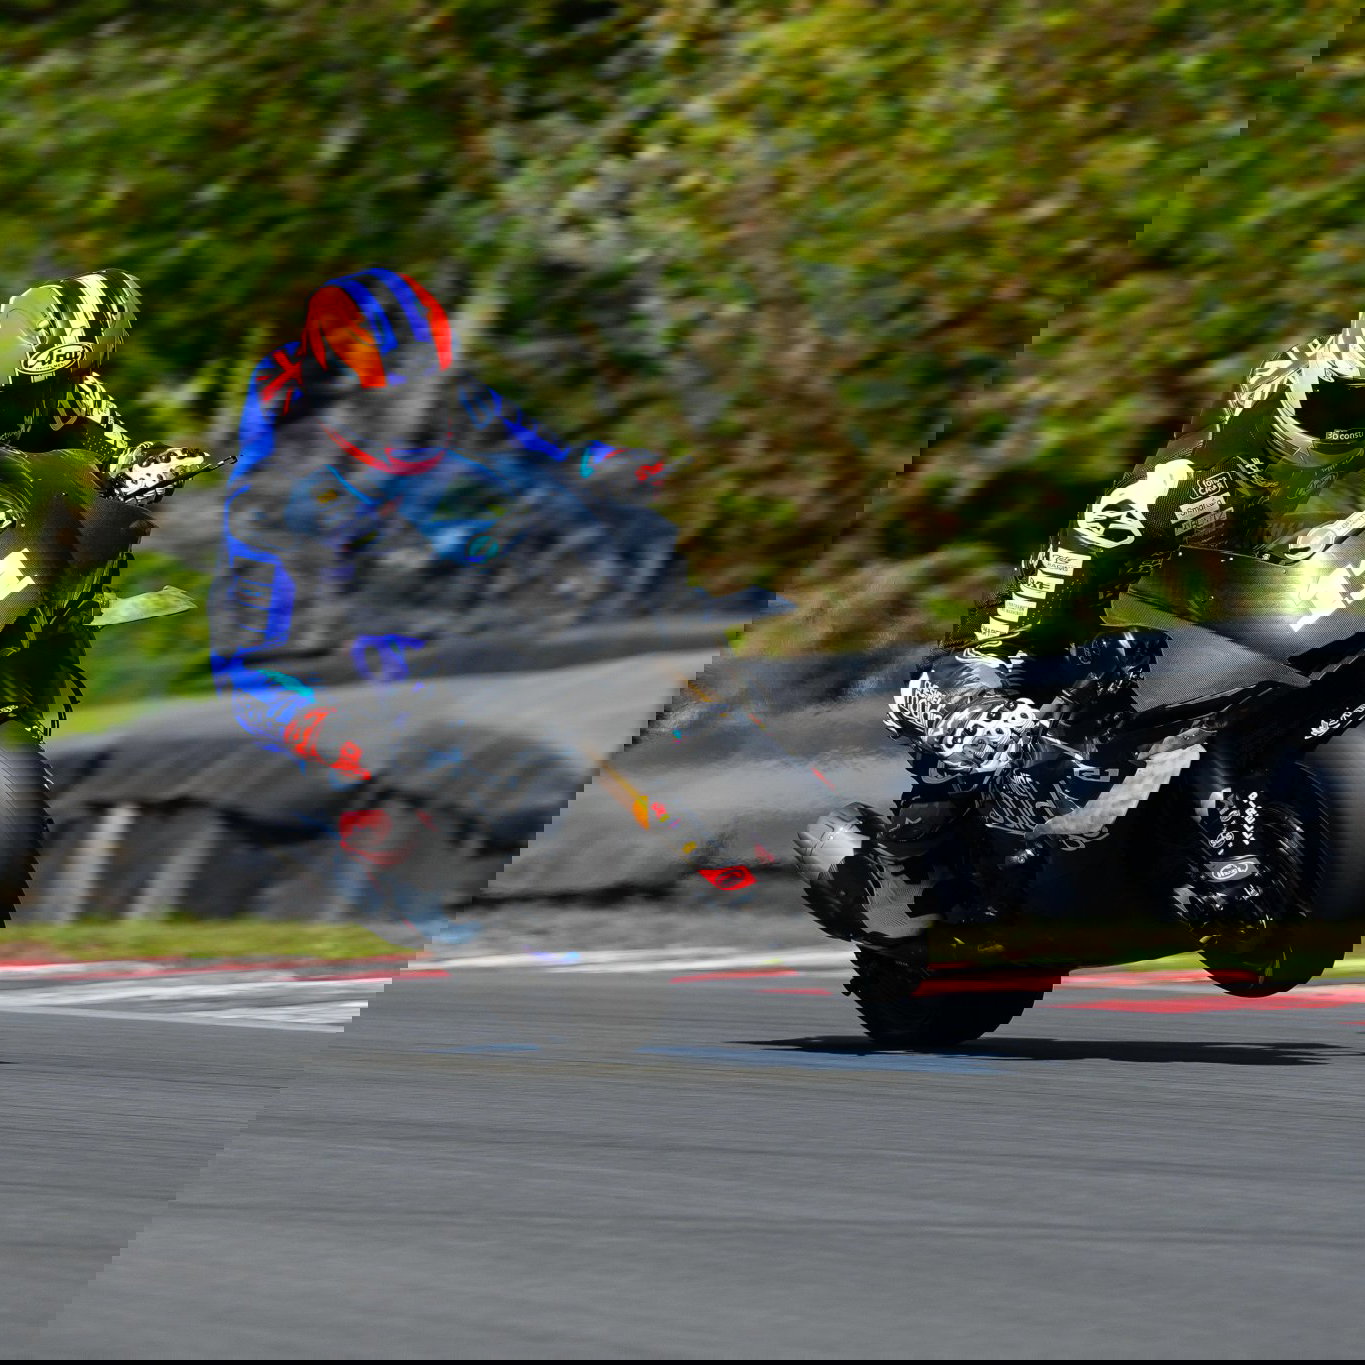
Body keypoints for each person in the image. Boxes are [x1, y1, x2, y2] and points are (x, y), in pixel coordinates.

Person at [803, 312, 1365, 937]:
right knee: (1151, 512)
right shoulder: (1309, 408)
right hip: (1234, 568)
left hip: (1330, 602)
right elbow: (1263, 438)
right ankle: (966, 700)